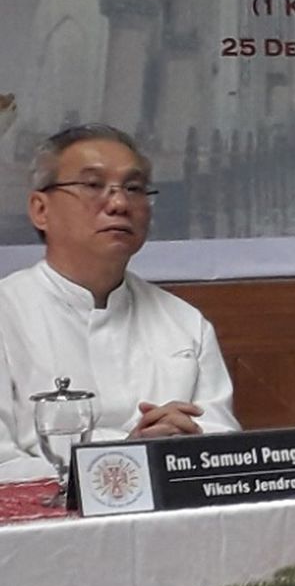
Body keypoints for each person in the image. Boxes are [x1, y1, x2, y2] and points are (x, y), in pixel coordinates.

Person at [0, 124, 239, 480]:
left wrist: (183, 447)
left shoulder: (185, 323)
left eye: (134, 188)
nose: (119, 203)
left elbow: (225, 450)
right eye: (93, 186)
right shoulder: (8, 312)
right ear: (40, 210)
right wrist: (123, 460)